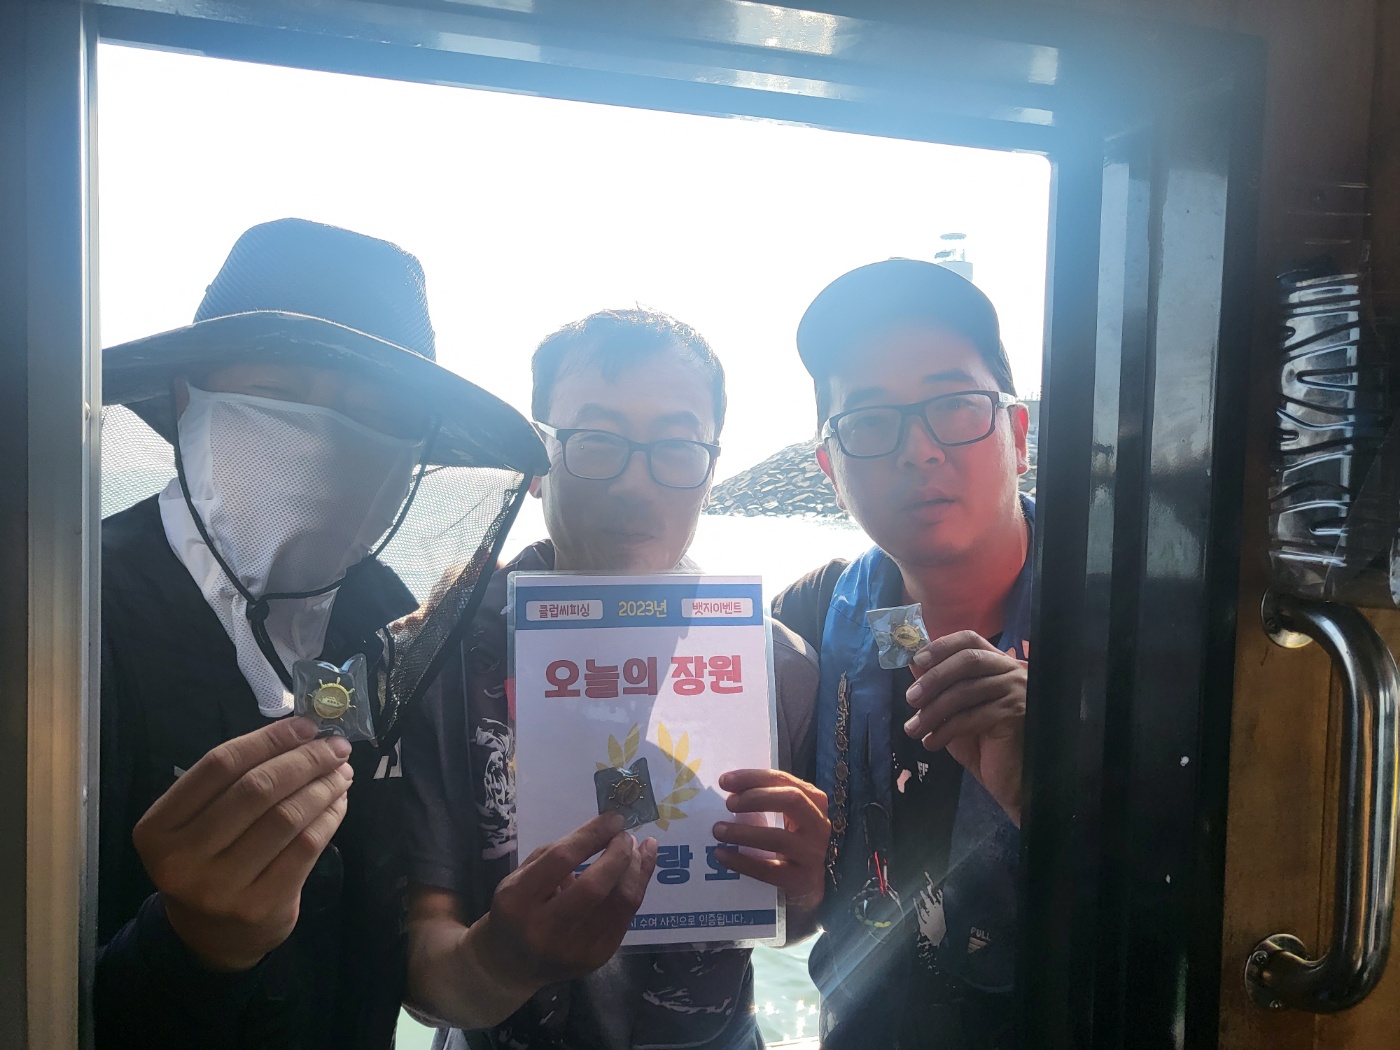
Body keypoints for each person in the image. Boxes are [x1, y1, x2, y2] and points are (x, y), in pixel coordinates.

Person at [94, 218, 546, 1049]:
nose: (331, 434)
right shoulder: (63, 619)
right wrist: (194, 947)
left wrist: (511, 952)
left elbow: (390, 923)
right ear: (189, 396)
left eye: (380, 413)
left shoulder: (387, 612)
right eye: (285, 391)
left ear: (414, 453)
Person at [403, 308, 829, 1049]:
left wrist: (809, 891)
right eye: (596, 441)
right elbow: (421, 968)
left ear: (710, 470)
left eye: (677, 447)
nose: (636, 483)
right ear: (537, 464)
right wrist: (500, 962)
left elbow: (783, 923)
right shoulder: (438, 656)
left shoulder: (777, 665)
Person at [770, 259, 1031, 1050]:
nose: (918, 450)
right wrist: (793, 889)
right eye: (870, 421)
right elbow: (785, 911)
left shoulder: (1134, 617)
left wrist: (1050, 790)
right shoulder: (805, 623)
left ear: (1018, 435)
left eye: (955, 406)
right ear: (831, 469)